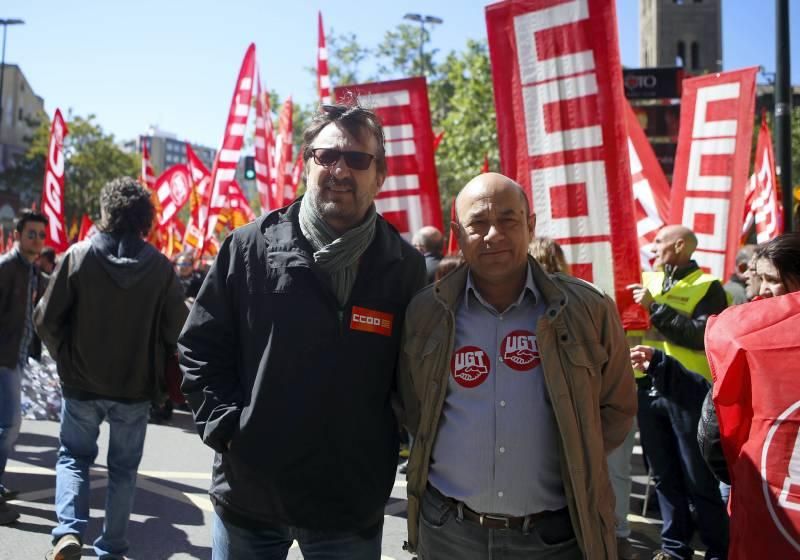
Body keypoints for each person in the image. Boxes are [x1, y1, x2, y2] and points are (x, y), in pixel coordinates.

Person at [179, 101, 426, 560]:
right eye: (326, 155)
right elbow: (200, 347)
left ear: (380, 176)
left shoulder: (404, 267)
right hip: (252, 496)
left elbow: (418, 376)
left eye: (356, 159)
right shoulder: (248, 246)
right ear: (306, 164)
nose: (339, 169)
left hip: (348, 504)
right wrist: (228, 427)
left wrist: (393, 446)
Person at [398, 173, 637, 559]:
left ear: (531, 225)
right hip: (448, 534)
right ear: (457, 233)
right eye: (478, 223)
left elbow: (617, 408)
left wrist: (578, 454)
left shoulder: (589, 309)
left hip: (553, 537)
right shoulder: (427, 312)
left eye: (508, 220)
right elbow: (412, 407)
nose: (494, 234)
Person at [35, 177, 188, 560]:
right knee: (123, 471)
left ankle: (69, 532)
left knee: (73, 457)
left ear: (107, 211)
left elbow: (46, 319)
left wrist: (65, 358)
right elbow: (179, 331)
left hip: (81, 384)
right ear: (144, 217)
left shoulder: (78, 255)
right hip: (134, 390)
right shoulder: (160, 268)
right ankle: (112, 548)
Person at [532, 236, 638, 559]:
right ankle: (617, 533)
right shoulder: (590, 297)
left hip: (591, 419)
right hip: (596, 419)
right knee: (611, 475)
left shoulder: (586, 299)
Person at [627, 225, 729, 560]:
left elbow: (699, 335)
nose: (652, 248)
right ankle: (674, 548)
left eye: (659, 242)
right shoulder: (646, 280)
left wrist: (655, 307)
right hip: (646, 387)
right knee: (663, 475)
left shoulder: (708, 287)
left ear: (680, 245)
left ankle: (718, 549)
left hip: (687, 391)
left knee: (698, 477)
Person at [699, 232, 800, 560]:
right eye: (762, 279)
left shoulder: (745, 334)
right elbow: (713, 433)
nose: (767, 290)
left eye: (775, 279)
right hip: (757, 488)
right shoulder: (743, 333)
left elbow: (712, 437)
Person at [0, 209, 48, 525]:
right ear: (17, 235)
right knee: (11, 424)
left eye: (41, 235)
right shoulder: (6, 268)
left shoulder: (33, 271)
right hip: (2, 359)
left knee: (8, 425)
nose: (38, 240)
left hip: (15, 358)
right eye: (32, 234)